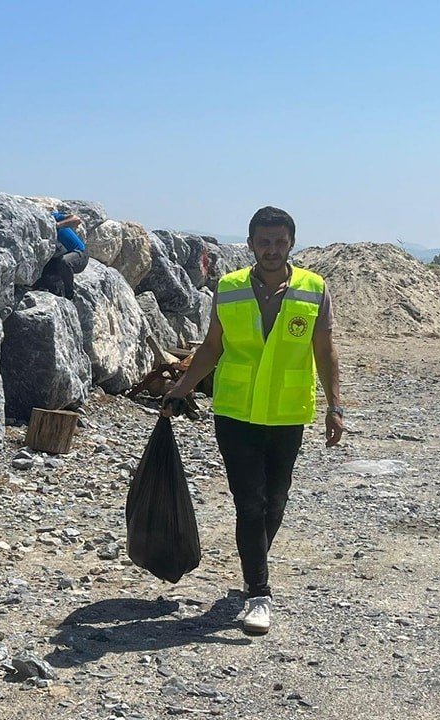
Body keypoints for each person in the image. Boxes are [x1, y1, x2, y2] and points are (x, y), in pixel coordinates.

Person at [162, 206, 343, 634]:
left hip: (286, 412)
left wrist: (336, 405)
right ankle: (258, 592)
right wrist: (181, 388)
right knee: (249, 502)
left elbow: (325, 350)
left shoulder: (314, 288)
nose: (272, 249)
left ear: (291, 243)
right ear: (250, 245)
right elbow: (211, 347)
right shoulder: (228, 288)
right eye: (264, 241)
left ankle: (252, 563)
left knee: (274, 503)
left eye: (280, 241)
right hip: (236, 412)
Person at [34, 209, 89, 299]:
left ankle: (70, 294)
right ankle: (56, 294)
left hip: (80, 254)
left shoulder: (52, 217)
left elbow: (76, 219)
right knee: (43, 274)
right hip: (59, 258)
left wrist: (57, 225)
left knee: (64, 261)